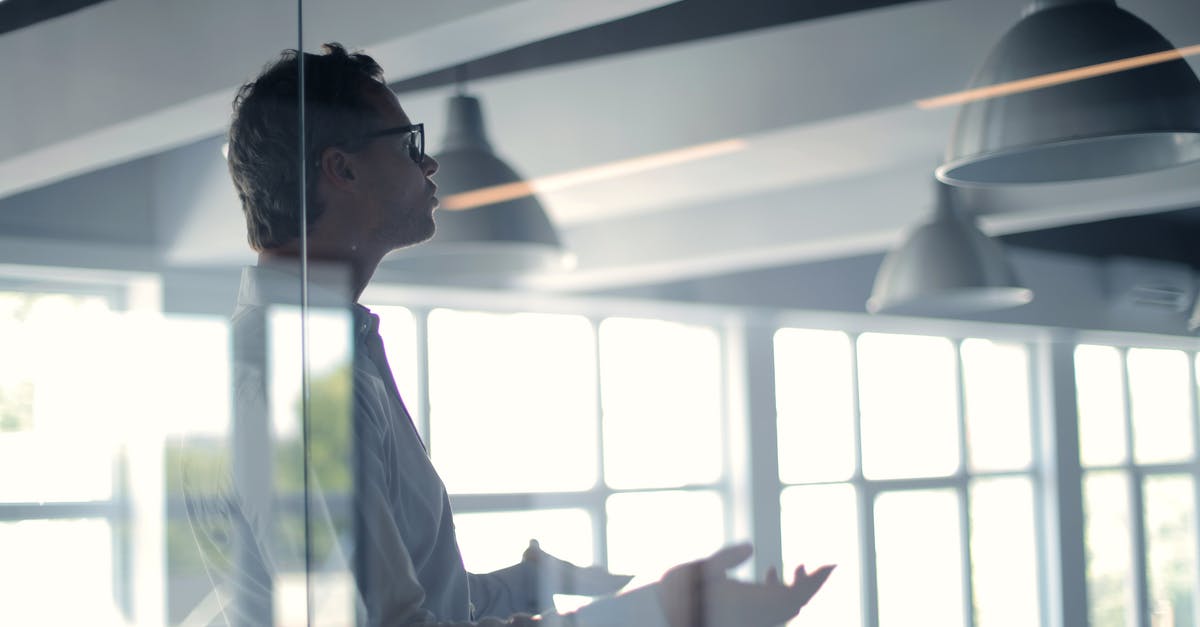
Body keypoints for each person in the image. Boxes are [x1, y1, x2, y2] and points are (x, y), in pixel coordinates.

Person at [198, 42, 833, 627]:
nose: (430, 161)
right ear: (343, 169)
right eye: (406, 144)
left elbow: (415, 599)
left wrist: (535, 582)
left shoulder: (309, 360)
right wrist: (664, 613)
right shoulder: (296, 384)